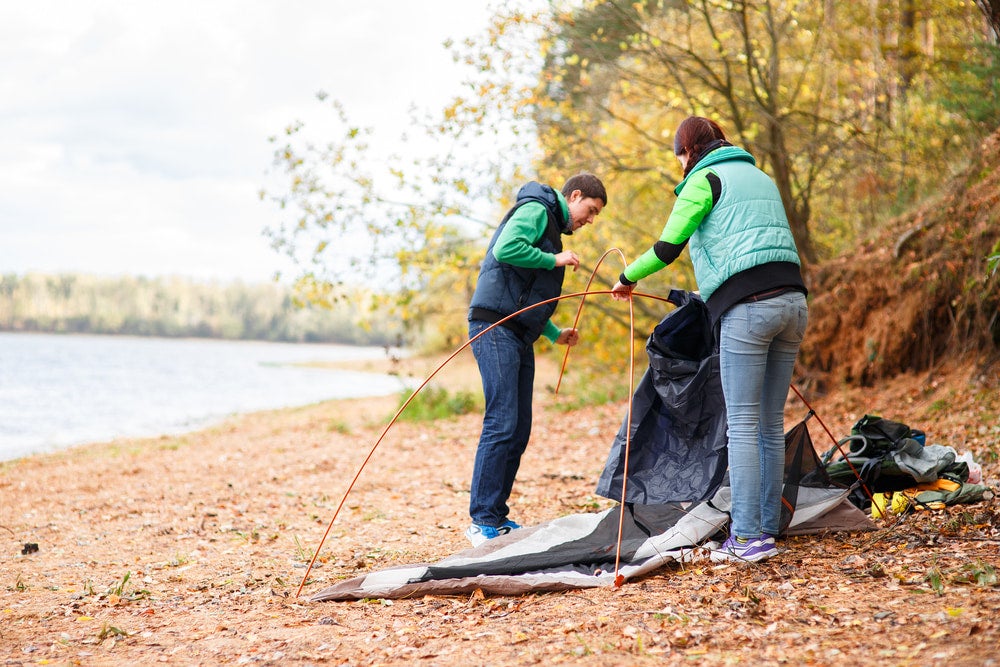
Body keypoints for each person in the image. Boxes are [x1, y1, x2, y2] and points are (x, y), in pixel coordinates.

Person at [611, 116, 808, 563]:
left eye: (678, 154)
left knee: (742, 421)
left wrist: (626, 276)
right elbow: (752, 245)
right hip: (794, 303)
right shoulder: (758, 176)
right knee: (769, 422)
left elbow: (668, 246)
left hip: (750, 309)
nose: (679, 163)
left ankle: (748, 538)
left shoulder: (704, 179)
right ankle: (766, 529)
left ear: (689, 151)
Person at [466, 173, 607, 546]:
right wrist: (554, 259)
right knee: (502, 421)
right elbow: (506, 249)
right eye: (590, 210)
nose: (589, 220)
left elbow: (526, 298)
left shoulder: (551, 231)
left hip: (518, 332)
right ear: (574, 195)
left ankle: (496, 517)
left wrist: (554, 333)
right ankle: (481, 522)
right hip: (493, 327)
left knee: (519, 426)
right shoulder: (536, 209)